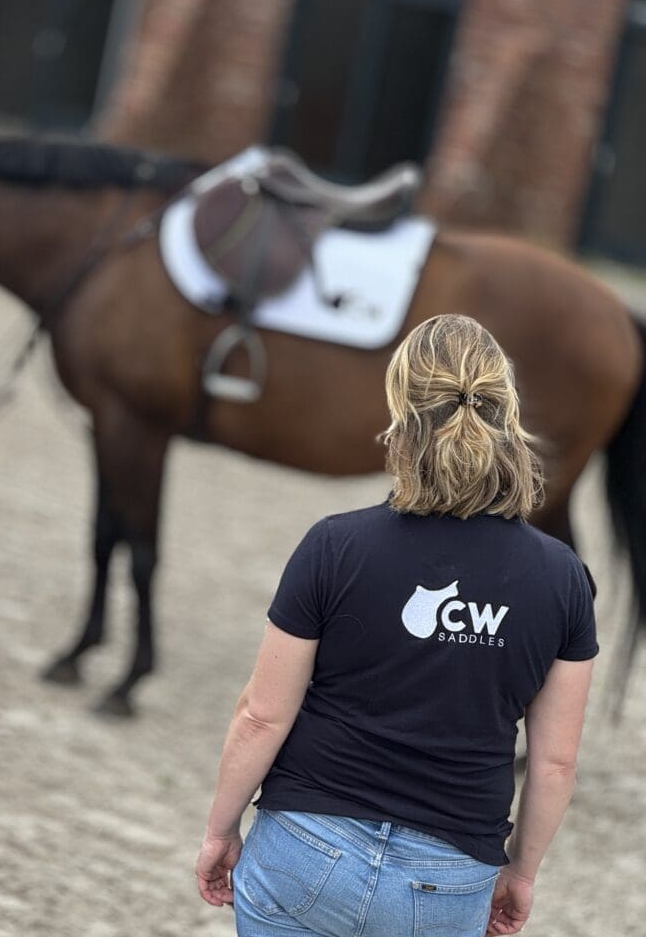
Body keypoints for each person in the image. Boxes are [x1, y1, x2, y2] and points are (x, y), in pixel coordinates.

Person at [195, 313, 597, 937]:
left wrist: (221, 830)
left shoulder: (334, 546)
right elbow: (555, 763)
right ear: (506, 414)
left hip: (306, 851)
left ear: (401, 412)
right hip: (449, 880)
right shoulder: (564, 578)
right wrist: (521, 874)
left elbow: (261, 716)